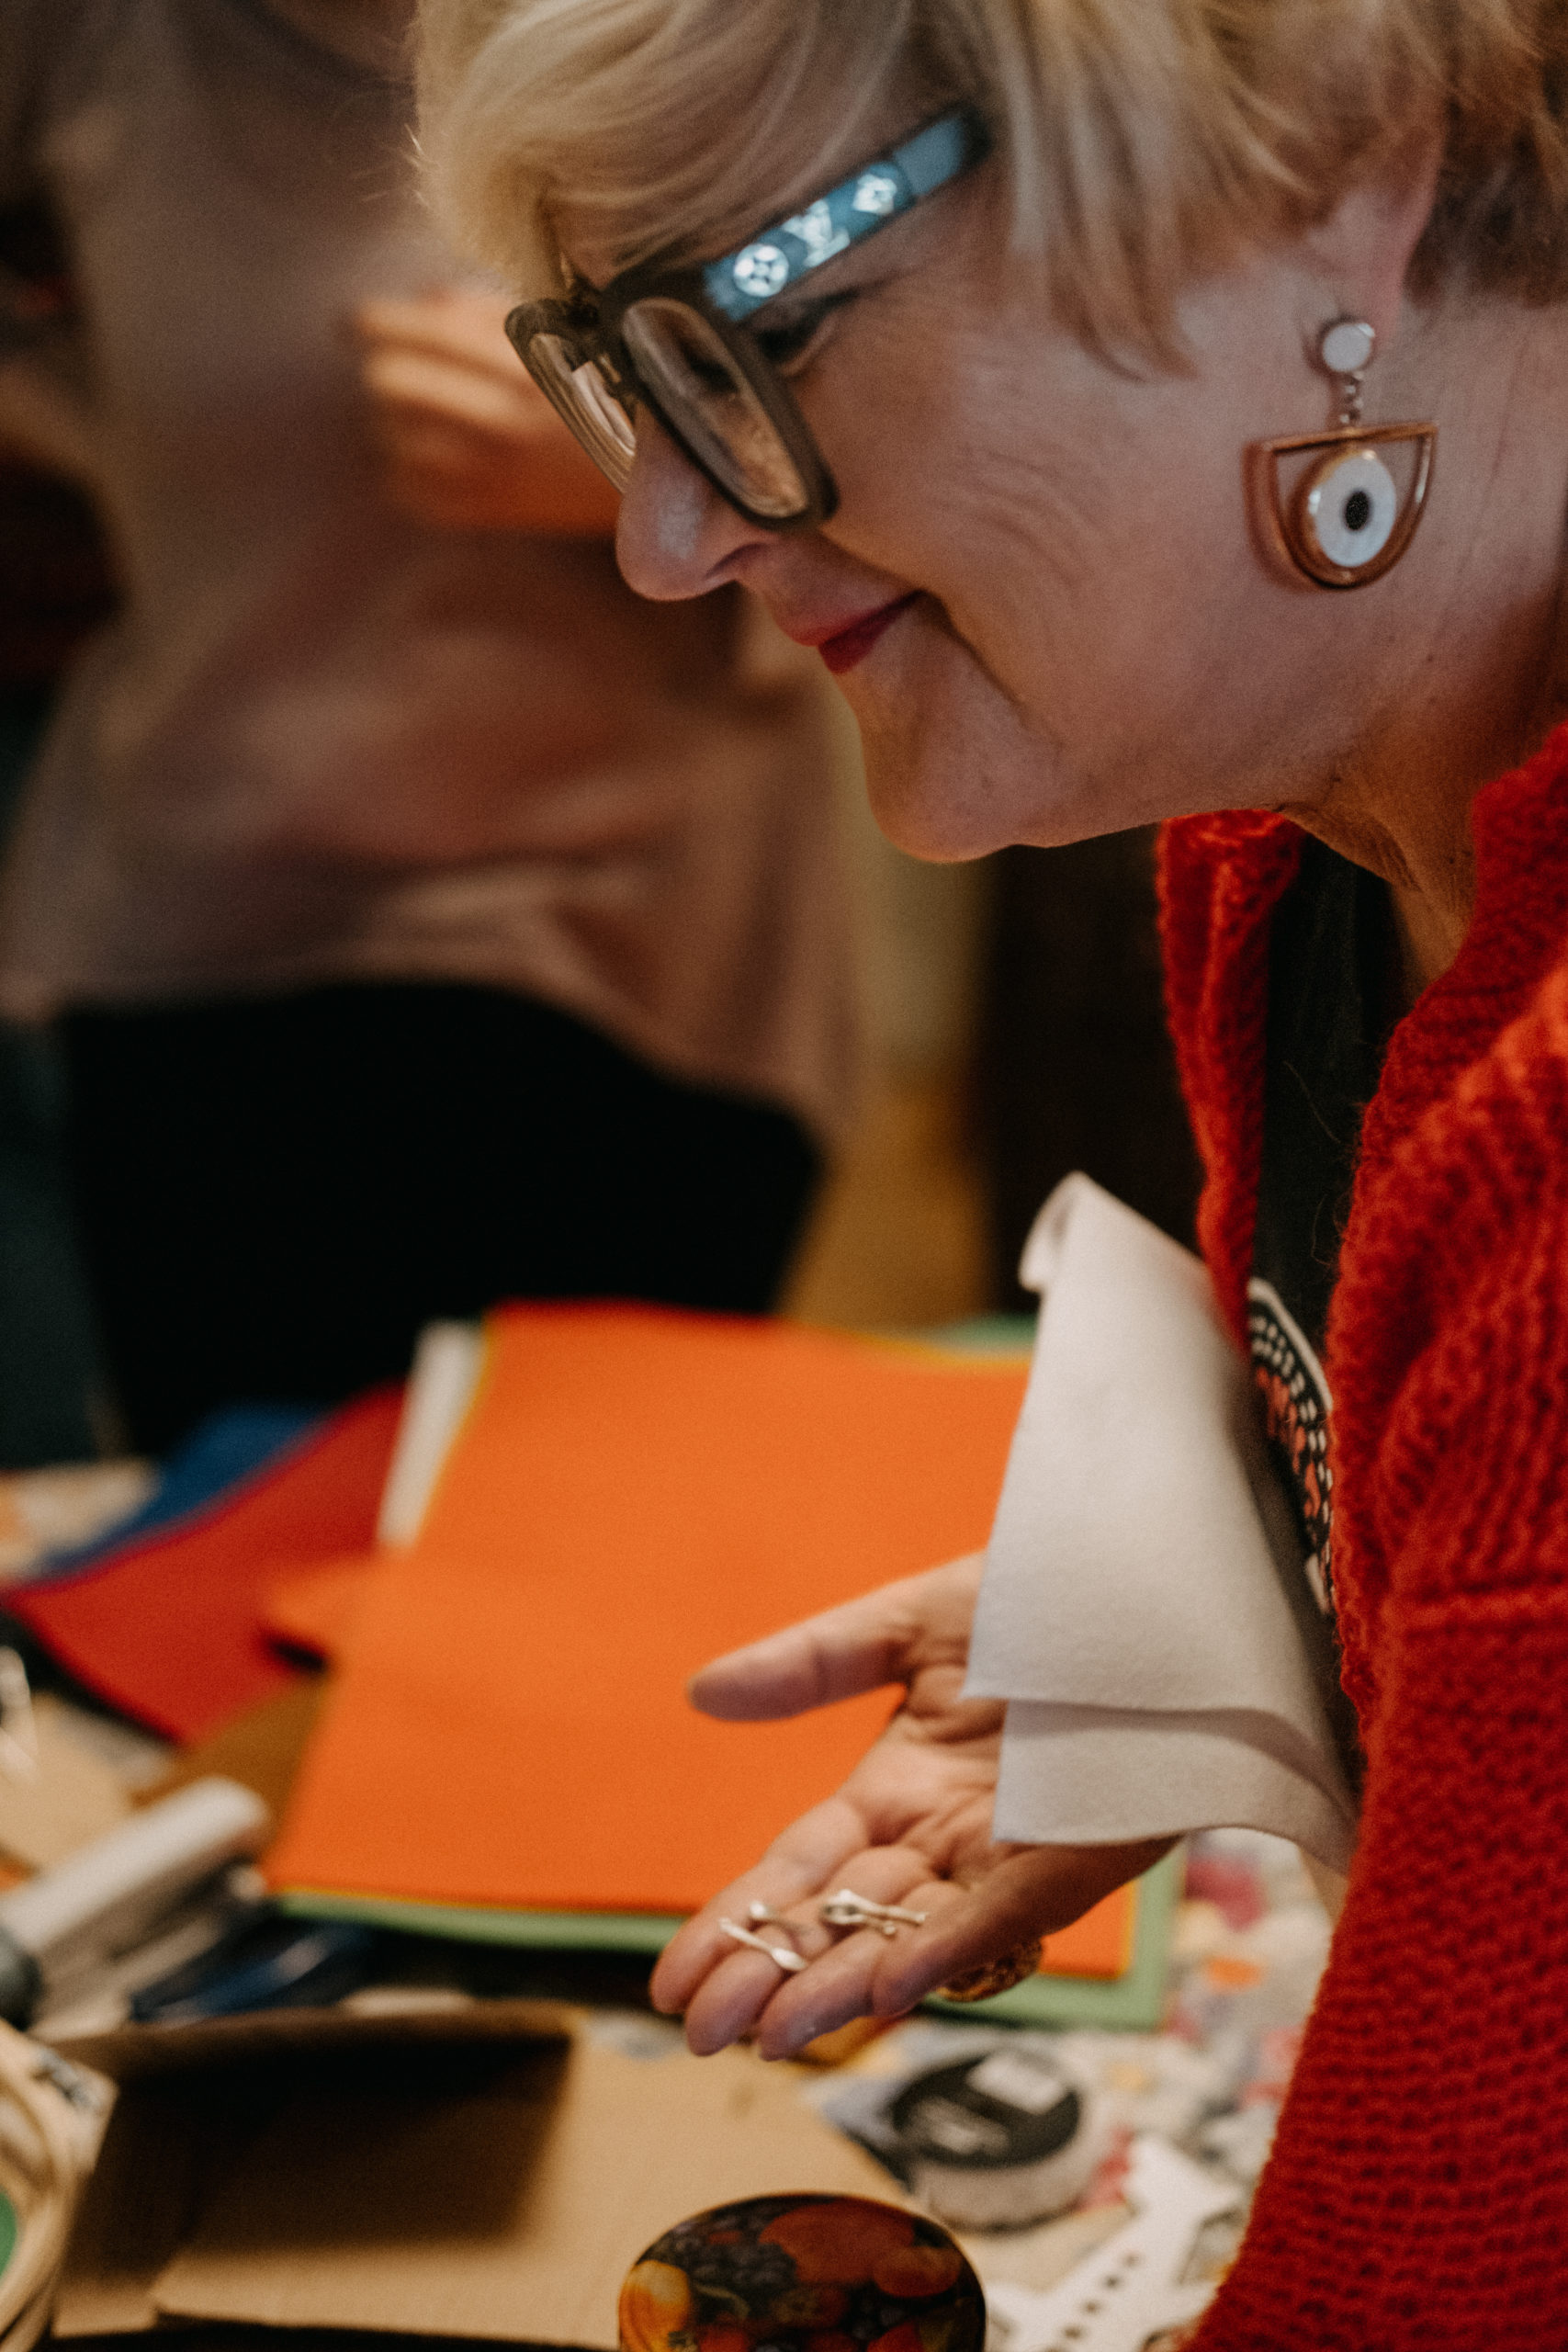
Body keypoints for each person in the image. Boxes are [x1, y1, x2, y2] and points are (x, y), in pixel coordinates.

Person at [416, 0, 1568, 2342]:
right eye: (611, 375)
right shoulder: (1287, 809)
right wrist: (1235, 1605)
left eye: (745, 331)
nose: (664, 527)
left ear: (1338, 173)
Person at [0, 0, 859, 1456]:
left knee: (595, 1541)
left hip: (646, 963)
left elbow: (941, 445)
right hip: (218, 946)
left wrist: (646, 466)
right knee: (234, 1562)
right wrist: (99, 428)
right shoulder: (97, 37)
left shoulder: (716, 36)